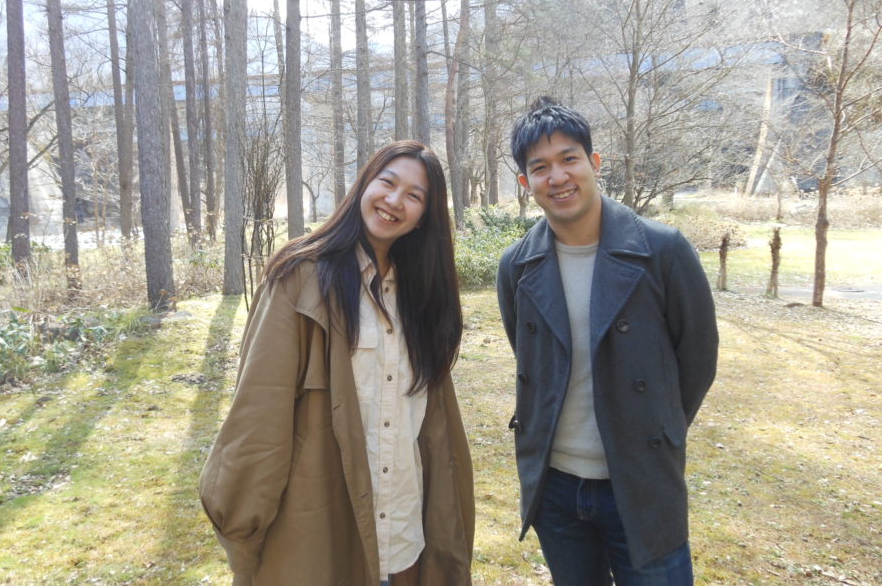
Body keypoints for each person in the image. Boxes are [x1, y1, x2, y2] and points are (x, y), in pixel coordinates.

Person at [201, 140, 474, 586]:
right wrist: (243, 527)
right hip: (323, 536)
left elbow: (430, 426)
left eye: (414, 195)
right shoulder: (300, 279)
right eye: (387, 182)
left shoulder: (421, 294)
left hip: (404, 537)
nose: (394, 201)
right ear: (364, 184)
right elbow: (258, 414)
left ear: (425, 215)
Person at [497, 97, 718, 585]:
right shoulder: (517, 266)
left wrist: (655, 431)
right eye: (540, 167)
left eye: (569, 159)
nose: (557, 177)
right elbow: (533, 357)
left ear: (595, 163)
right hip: (555, 488)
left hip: (641, 481)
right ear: (525, 183)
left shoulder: (663, 250)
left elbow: (698, 359)